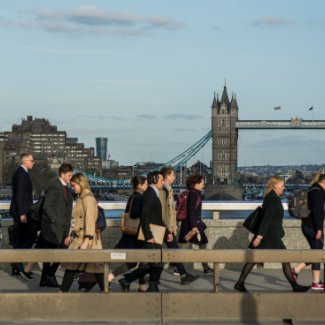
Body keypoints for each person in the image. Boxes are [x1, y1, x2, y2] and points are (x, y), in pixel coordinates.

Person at [234, 175, 310, 293]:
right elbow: (267, 219)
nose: (284, 188)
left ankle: (240, 283)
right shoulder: (273, 199)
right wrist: (259, 236)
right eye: (282, 185)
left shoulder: (271, 197)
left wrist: (260, 236)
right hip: (269, 235)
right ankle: (294, 286)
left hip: (268, 234)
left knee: (254, 259)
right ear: (275, 185)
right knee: (285, 258)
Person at [119, 171, 173, 292]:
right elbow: (144, 216)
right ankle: (131, 279)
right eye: (161, 180)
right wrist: (148, 236)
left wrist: (166, 234)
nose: (163, 182)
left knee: (155, 263)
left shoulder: (153, 193)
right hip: (150, 234)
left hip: (156, 233)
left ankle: (137, 282)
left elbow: (157, 218)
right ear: (154, 181)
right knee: (156, 262)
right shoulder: (149, 194)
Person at [59, 173, 104, 292]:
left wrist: (86, 239)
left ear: (81, 184)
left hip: (86, 238)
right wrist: (72, 235)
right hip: (80, 237)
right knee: (91, 267)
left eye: (73, 185)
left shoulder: (88, 199)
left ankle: (63, 291)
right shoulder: (82, 198)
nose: (72, 188)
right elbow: (80, 220)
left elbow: (89, 220)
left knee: (91, 267)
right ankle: (105, 290)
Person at [35, 163, 73, 287]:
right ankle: (48, 277)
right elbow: (47, 206)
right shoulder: (54, 186)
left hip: (62, 227)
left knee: (58, 252)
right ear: (62, 174)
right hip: (53, 227)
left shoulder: (67, 188)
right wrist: (54, 219)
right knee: (53, 253)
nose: (70, 177)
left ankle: (46, 277)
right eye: (69, 175)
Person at [107, 175, 148, 292]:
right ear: (139, 186)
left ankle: (112, 278)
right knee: (144, 260)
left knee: (133, 262)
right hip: (135, 235)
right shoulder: (138, 198)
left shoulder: (133, 197)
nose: (146, 186)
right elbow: (134, 214)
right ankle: (137, 283)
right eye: (145, 184)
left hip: (131, 235)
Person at [159, 166, 199, 284]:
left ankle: (182, 275)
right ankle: (183, 275)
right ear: (167, 176)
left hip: (167, 227)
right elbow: (163, 211)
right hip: (165, 227)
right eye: (173, 175)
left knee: (169, 251)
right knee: (172, 251)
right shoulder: (164, 191)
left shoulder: (168, 189)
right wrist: (169, 228)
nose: (175, 177)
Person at [291, 172, 325, 290]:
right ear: (324, 182)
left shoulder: (312, 190)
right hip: (313, 227)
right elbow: (318, 213)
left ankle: (295, 270)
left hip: (307, 225)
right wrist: (319, 230)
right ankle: (316, 281)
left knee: (316, 252)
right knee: (317, 253)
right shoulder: (318, 193)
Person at [9, 153, 37, 280]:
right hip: (23, 213)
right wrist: (22, 214)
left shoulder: (21, 172)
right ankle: (18, 263)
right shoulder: (21, 174)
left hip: (23, 211)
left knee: (21, 239)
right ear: (25, 161)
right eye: (31, 161)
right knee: (30, 236)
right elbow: (19, 195)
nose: (33, 163)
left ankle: (16, 265)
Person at [178, 174, 213, 274]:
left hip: (192, 224)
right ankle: (180, 269)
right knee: (186, 247)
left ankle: (205, 268)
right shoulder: (194, 194)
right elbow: (191, 211)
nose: (203, 184)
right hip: (192, 225)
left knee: (200, 244)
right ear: (196, 184)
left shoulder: (194, 193)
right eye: (202, 182)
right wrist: (193, 227)